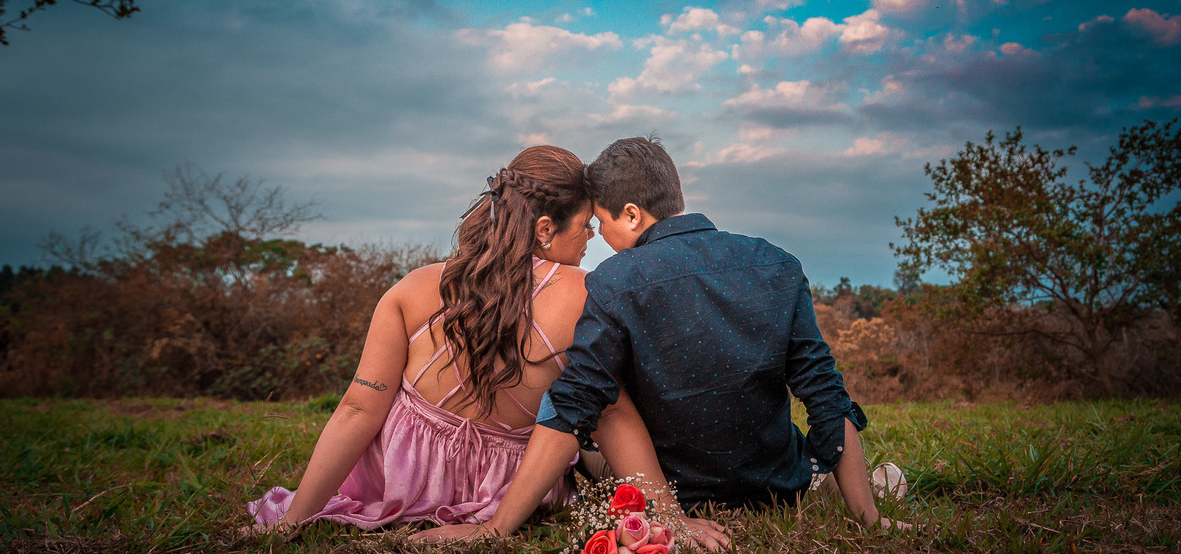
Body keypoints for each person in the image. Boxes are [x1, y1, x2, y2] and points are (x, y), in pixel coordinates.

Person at [416, 136, 905, 550]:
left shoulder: (612, 281)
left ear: (631, 215)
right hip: (779, 486)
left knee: (595, 416)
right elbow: (823, 394)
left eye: (600, 223)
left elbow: (573, 404)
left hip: (672, 492)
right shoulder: (778, 263)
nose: (598, 237)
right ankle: (857, 485)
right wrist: (870, 519)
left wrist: (496, 528)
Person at [247, 145, 604, 530]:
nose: (591, 234)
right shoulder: (587, 293)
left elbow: (358, 409)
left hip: (402, 484)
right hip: (509, 495)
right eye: (585, 223)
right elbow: (606, 413)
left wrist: (294, 517)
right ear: (545, 228)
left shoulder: (414, 288)